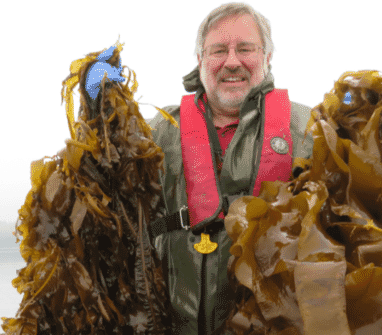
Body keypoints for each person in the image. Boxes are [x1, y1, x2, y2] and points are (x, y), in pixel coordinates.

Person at [86, 3, 313, 334]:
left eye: (245, 49)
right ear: (200, 61)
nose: (232, 61)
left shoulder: (308, 130)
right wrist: (99, 105)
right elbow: (105, 169)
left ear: (267, 57)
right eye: (218, 50)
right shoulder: (160, 131)